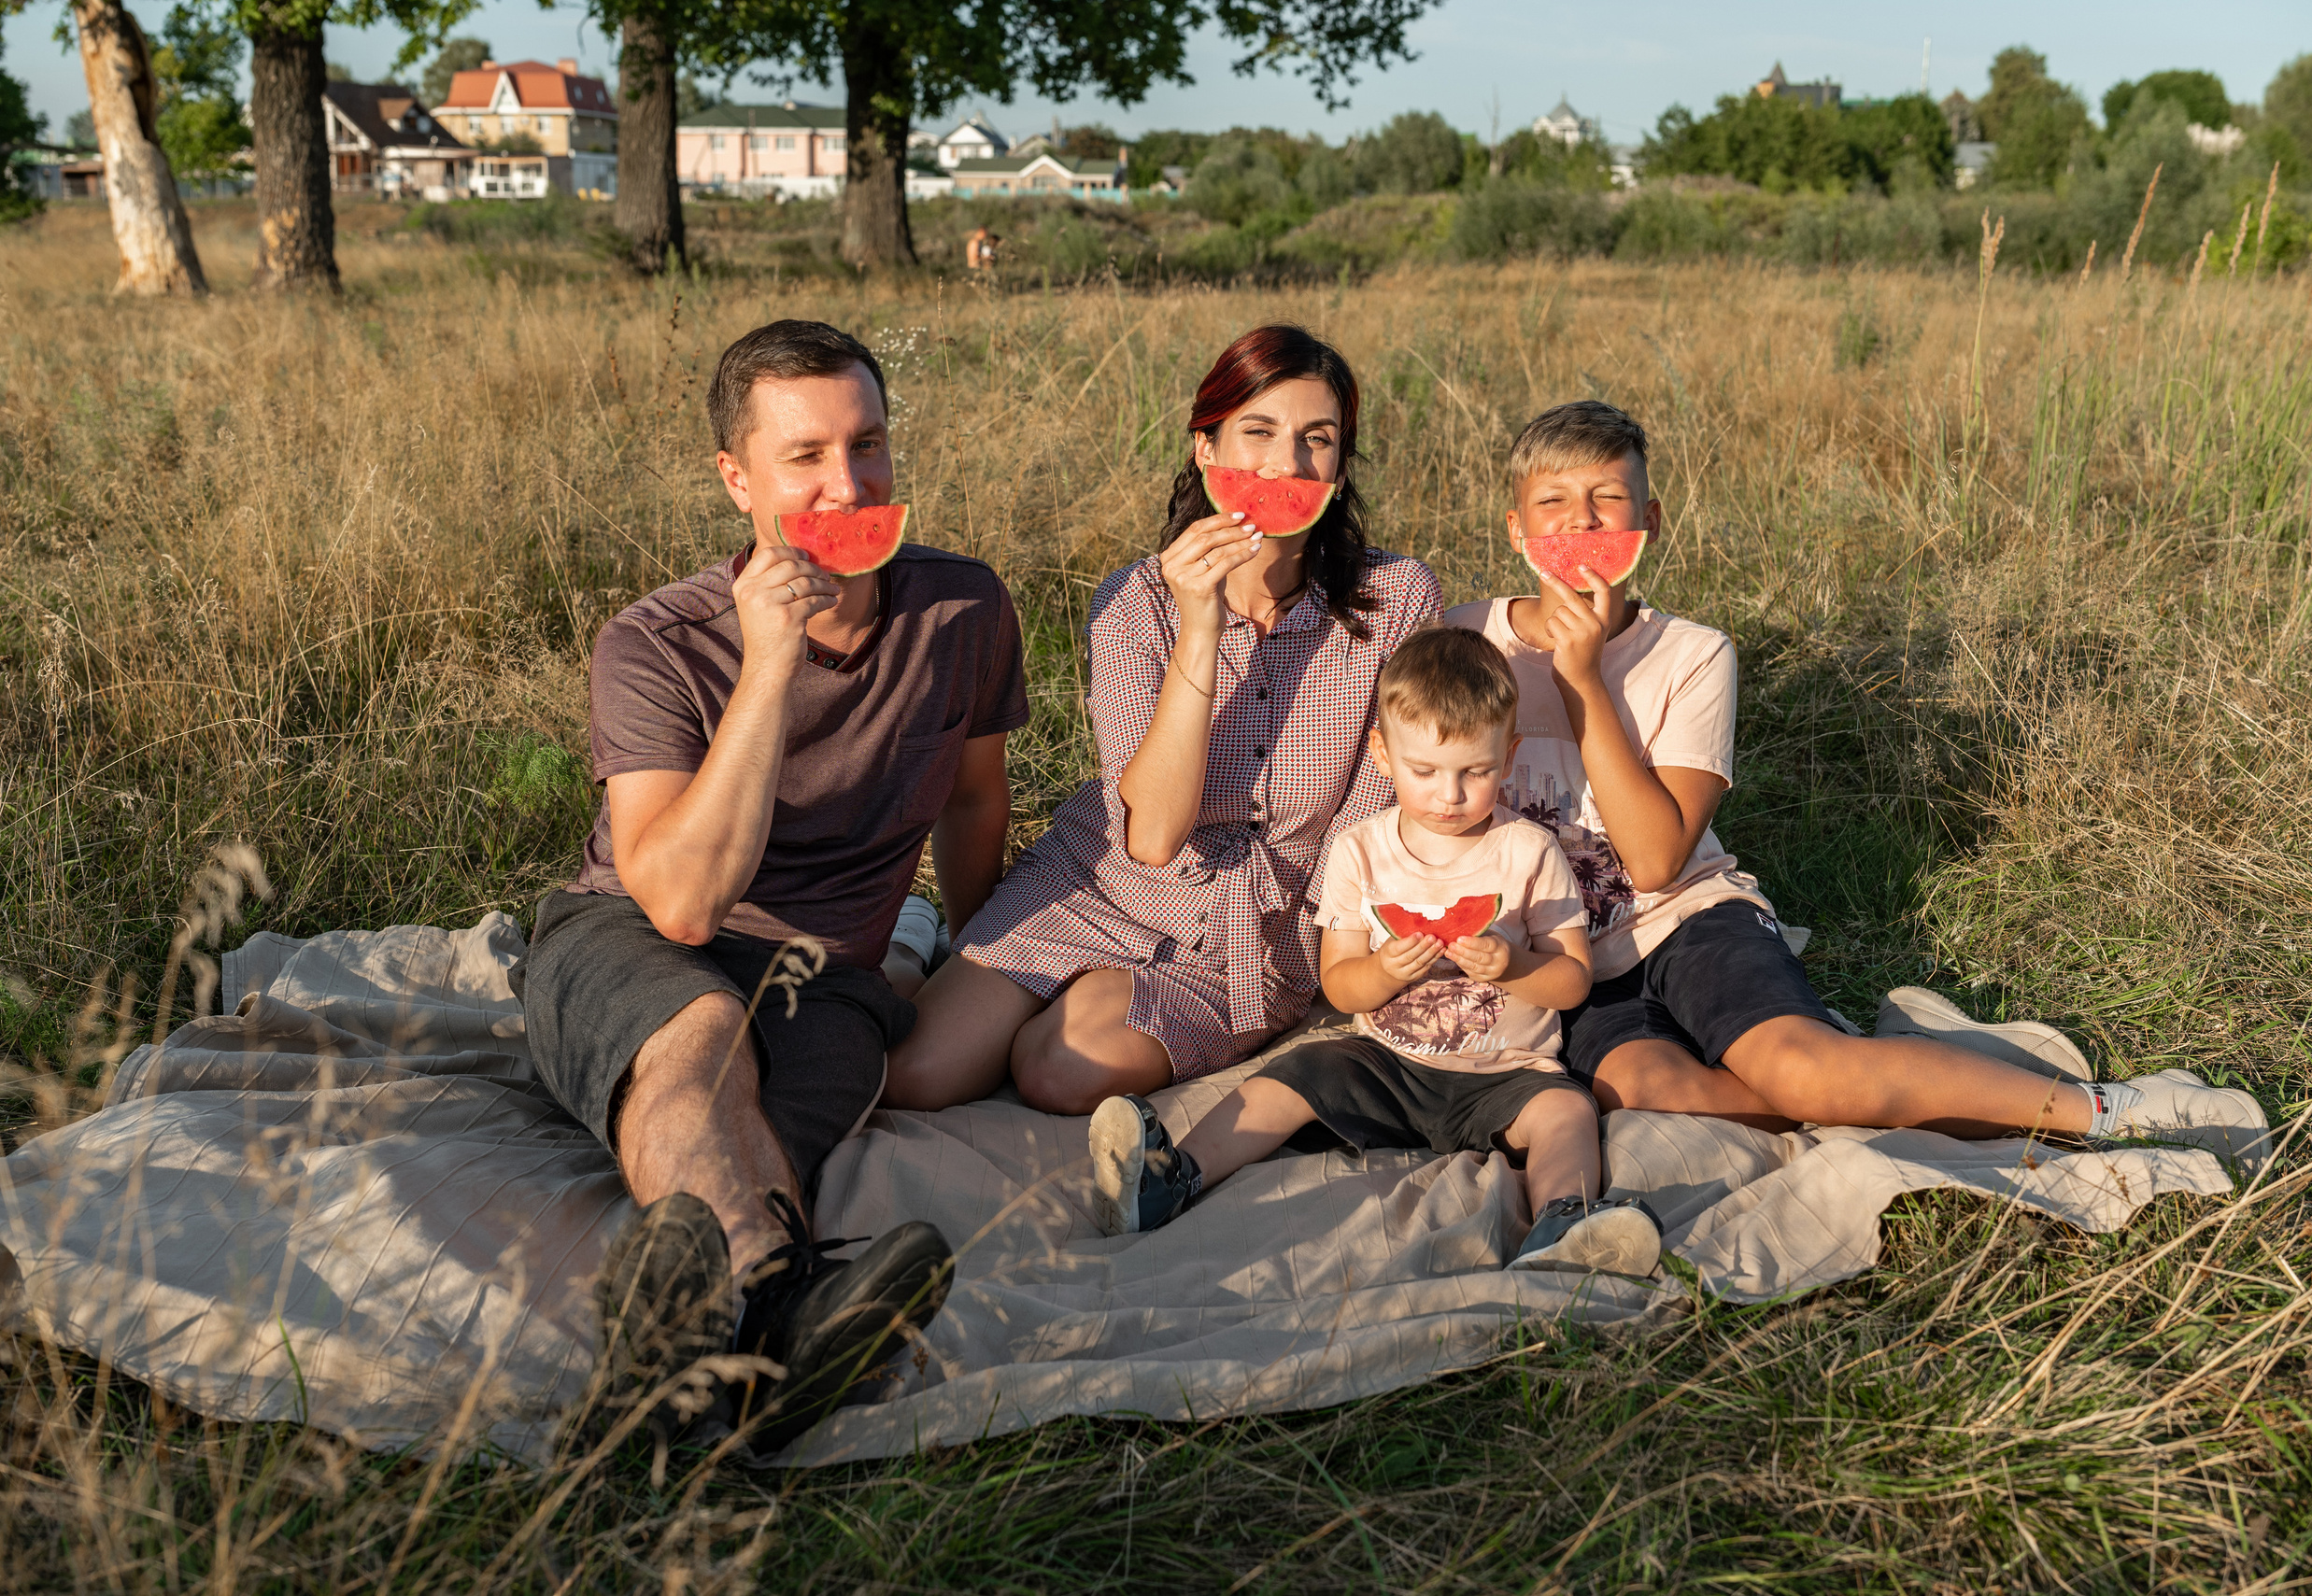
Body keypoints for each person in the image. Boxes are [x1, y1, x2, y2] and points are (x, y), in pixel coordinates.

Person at [1445, 400, 2272, 1167]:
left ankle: (2110, 1108)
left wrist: (1584, 681)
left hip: (1690, 919)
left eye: (1607, 498)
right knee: (1647, 1095)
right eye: (1553, 502)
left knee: (1801, 1072)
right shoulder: (1462, 637)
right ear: (1517, 528)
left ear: (1651, 522)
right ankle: (1883, 1087)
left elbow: (1658, 860)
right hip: (1565, 952)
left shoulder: (1694, 653)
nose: (1582, 522)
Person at [516, 319, 1029, 1459]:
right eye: (805, 456)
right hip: (629, 934)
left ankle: (697, 1369)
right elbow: (683, 905)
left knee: (755, 1126)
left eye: (869, 444)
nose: (846, 482)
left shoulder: (965, 608)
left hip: (833, 983)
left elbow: (975, 801)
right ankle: (789, 1318)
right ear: (735, 478)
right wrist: (768, 667)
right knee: (703, 1032)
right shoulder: (654, 643)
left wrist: (971, 954)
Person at [885, 324, 1444, 1115]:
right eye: (1258, 432)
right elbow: (1149, 837)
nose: (1287, 465)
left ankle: (1046, 999)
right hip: (1100, 882)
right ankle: (918, 936)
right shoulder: (1133, 605)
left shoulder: (1397, 601)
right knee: (914, 1076)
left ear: (1342, 467)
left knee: (1057, 1069)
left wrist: (1325, 957)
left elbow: (1365, 819)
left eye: (1317, 440)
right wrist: (1202, 624)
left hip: (1261, 928)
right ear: (1206, 451)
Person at [1087, 628, 1665, 1275]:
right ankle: (1173, 1178)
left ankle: (1563, 1223)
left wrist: (1517, 966)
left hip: (1507, 1075)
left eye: (1475, 772)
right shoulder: (1359, 848)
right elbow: (1340, 986)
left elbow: (1572, 981)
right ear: (1383, 755)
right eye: (1425, 771)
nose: (1450, 795)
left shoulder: (1529, 850)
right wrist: (1382, 971)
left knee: (1568, 1109)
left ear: (1509, 757)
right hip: (1387, 1062)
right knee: (1290, 1077)